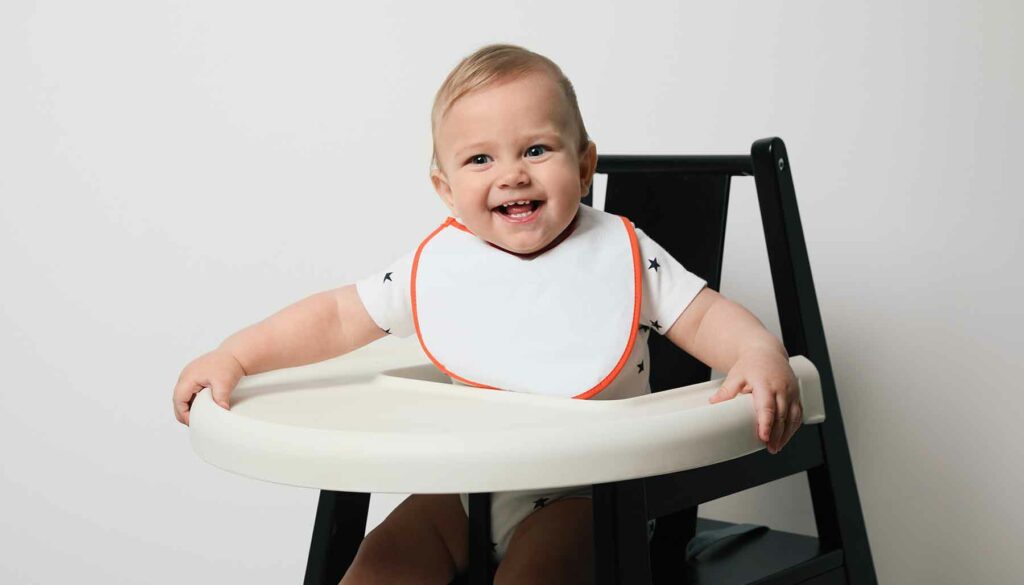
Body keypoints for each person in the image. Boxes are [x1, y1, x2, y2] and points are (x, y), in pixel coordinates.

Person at [172, 44, 804, 585]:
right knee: (381, 565)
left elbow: (705, 317)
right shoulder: (438, 264)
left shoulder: (625, 254)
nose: (512, 176)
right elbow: (337, 316)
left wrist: (755, 354)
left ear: (584, 166)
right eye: (480, 159)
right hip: (464, 488)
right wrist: (235, 356)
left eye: (536, 149)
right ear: (445, 189)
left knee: (537, 575)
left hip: (586, 494)